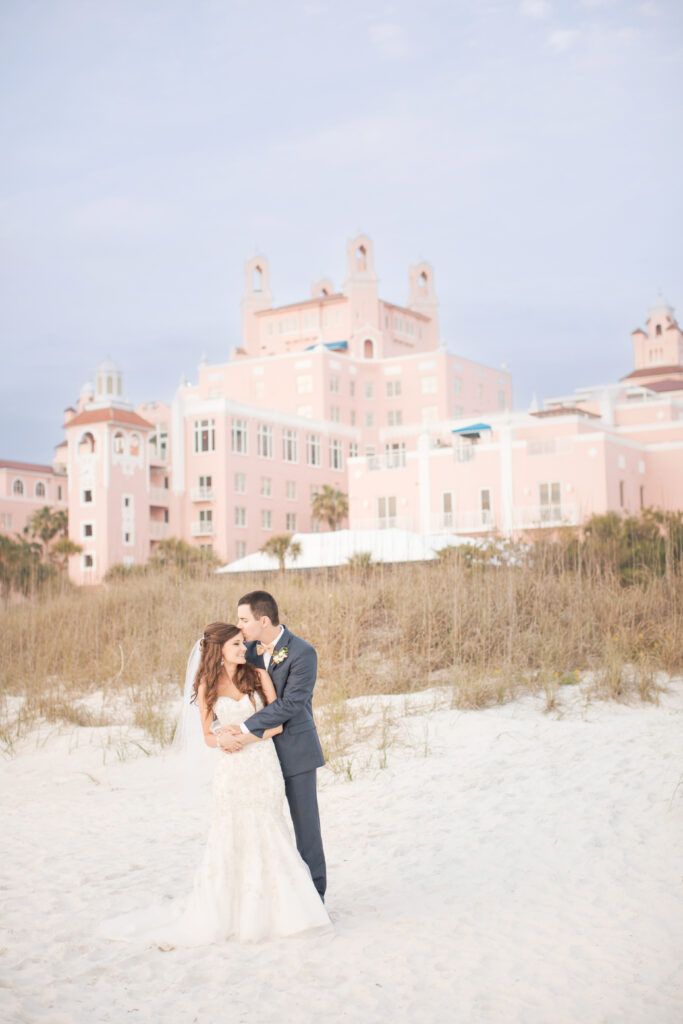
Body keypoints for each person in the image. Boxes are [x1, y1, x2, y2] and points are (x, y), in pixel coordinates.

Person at [99, 622, 330, 946]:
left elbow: (277, 724)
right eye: (236, 644)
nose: (243, 649)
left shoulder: (259, 675)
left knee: (270, 829)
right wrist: (222, 741)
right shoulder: (207, 684)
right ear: (218, 649)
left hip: (262, 765)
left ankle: (285, 910)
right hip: (231, 769)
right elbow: (207, 735)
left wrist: (245, 738)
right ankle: (231, 912)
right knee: (231, 833)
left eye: (242, 643)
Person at [216, 591, 327, 903]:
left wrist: (241, 727)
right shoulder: (244, 650)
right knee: (260, 828)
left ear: (262, 620)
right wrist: (220, 728)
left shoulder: (303, 652)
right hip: (255, 756)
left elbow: (292, 704)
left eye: (243, 619)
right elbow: (221, 688)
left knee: (306, 830)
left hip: (296, 752)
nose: (239, 626)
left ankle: (315, 900)